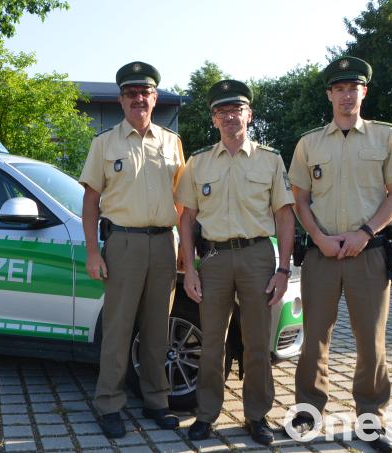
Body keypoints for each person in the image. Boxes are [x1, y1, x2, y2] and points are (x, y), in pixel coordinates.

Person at [287, 56, 392, 453]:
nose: (346, 95)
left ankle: (371, 419)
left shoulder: (385, 137)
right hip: (322, 254)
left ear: (364, 91)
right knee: (315, 340)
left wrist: (365, 232)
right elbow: (299, 199)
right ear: (329, 94)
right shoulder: (310, 143)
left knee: (371, 341)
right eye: (339, 88)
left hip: (370, 252)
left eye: (353, 87)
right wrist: (319, 239)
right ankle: (308, 410)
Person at [176, 79, 295, 446]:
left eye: (237, 110)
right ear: (214, 119)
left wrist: (283, 268)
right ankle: (207, 414)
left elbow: (286, 216)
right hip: (212, 259)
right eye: (222, 112)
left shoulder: (270, 160)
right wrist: (189, 269)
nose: (230, 117)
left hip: (258, 256)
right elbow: (185, 217)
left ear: (249, 115)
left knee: (258, 342)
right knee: (212, 342)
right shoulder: (198, 163)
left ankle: (257, 416)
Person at [78, 61, 186, 439]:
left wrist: (184, 248)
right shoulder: (104, 143)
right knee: (118, 329)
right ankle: (109, 404)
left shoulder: (172, 142)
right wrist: (94, 252)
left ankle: (157, 401)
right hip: (122, 243)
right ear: (121, 100)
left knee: (158, 330)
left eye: (145, 93)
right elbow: (90, 202)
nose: (139, 99)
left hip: (163, 245)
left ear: (155, 98)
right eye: (131, 94)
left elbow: (183, 200)